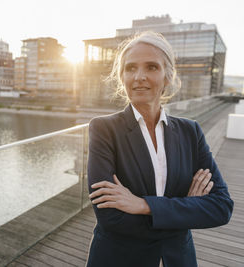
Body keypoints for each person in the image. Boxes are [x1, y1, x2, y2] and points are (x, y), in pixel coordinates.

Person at [86, 31, 233, 267]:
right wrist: (185, 210)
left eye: (152, 67)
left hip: (178, 259)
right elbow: (110, 216)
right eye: (131, 68)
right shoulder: (104, 129)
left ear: (167, 76)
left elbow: (221, 206)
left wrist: (142, 205)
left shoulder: (190, 132)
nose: (139, 76)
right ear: (122, 76)